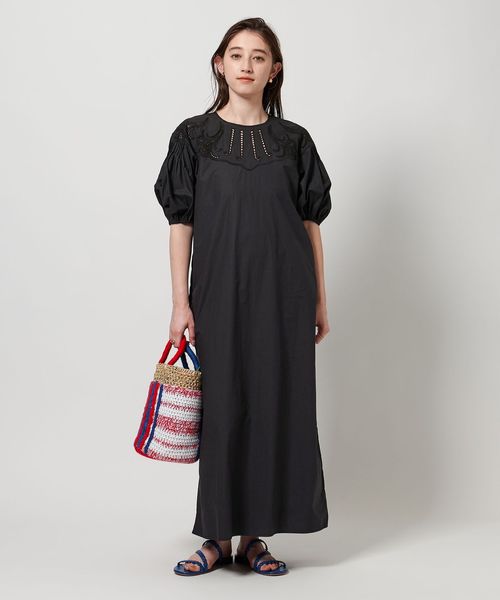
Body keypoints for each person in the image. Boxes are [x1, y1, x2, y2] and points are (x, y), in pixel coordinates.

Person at [153, 17, 333, 577]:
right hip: (218, 292)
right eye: (236, 54)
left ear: (274, 70)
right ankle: (215, 537)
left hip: (285, 294)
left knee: (274, 404)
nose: (247, 65)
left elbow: (309, 224)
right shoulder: (193, 137)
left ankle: (254, 538)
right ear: (220, 64)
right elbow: (180, 222)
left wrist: (320, 300)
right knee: (224, 406)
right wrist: (180, 302)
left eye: (258, 56)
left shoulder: (294, 141)